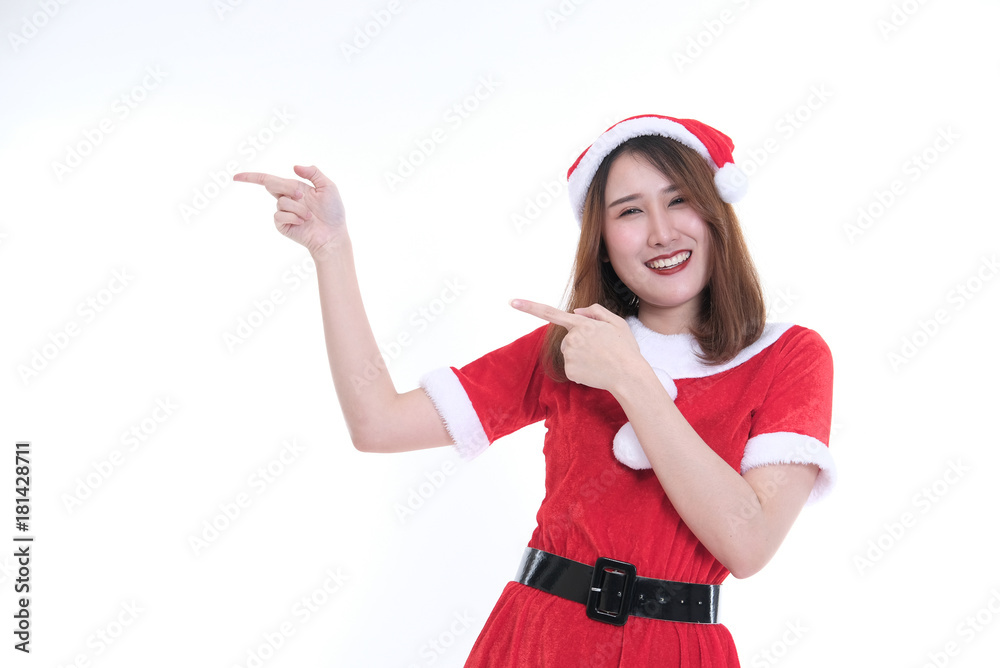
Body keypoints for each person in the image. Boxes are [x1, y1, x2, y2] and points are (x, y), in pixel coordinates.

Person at [233, 113, 836, 667]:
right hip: (538, 640)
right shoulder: (570, 345)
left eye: (679, 201)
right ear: (600, 238)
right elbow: (377, 423)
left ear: (715, 211)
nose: (659, 232)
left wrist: (630, 378)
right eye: (629, 211)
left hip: (677, 649)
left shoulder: (789, 357)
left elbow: (748, 543)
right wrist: (331, 251)